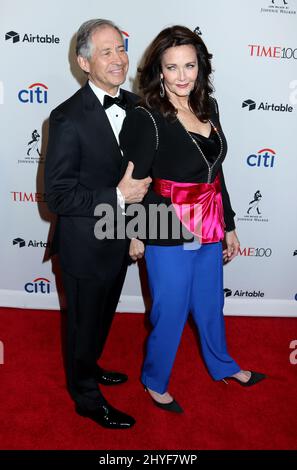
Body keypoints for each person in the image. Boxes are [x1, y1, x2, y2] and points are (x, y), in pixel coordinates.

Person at [121, 25, 266, 413]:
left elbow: (215, 173)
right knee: (169, 311)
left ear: (200, 67)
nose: (183, 76)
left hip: (210, 220)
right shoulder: (146, 116)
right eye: (173, 67)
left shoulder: (208, 106)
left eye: (190, 66)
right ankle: (154, 379)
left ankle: (222, 365)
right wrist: (137, 234)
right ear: (159, 71)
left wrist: (230, 225)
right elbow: (134, 184)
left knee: (208, 303)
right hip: (165, 225)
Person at [45, 19, 151, 429]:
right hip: (84, 246)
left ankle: (88, 363)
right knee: (82, 322)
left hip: (119, 240)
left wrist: (137, 229)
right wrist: (118, 198)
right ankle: (86, 397)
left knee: (102, 317)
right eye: (106, 51)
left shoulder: (138, 106)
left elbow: (142, 177)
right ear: (84, 62)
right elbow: (58, 196)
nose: (119, 59)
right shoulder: (67, 118)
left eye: (121, 49)